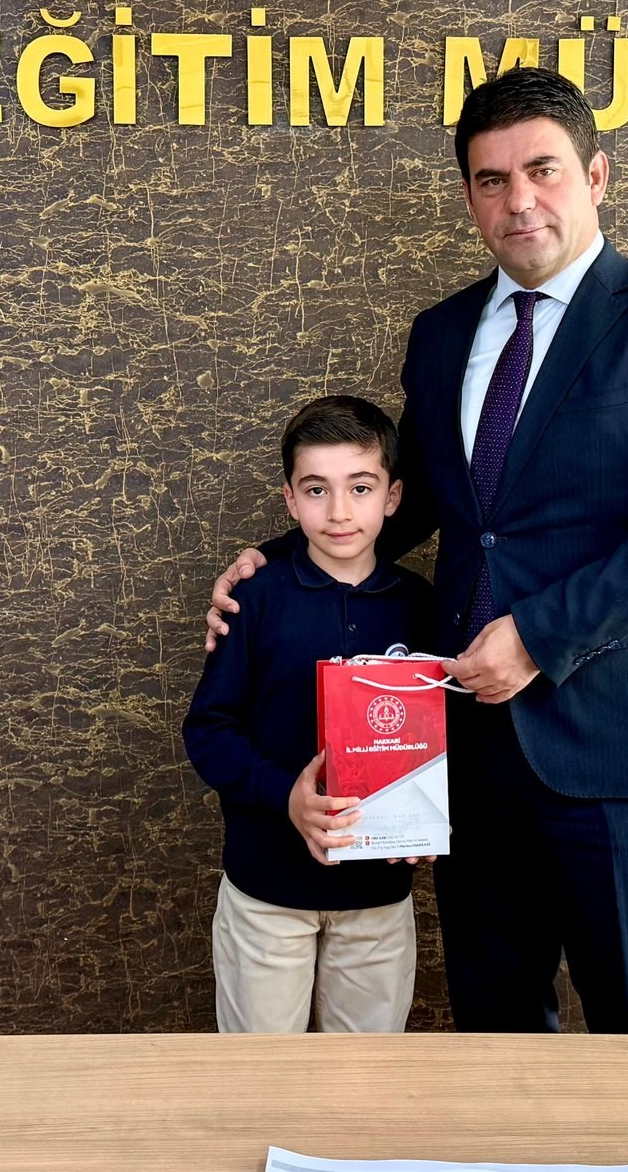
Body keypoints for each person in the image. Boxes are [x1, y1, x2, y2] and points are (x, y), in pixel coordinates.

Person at [204, 67, 628, 1033]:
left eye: (543, 170)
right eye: (493, 180)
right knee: (494, 1031)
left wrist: (535, 637)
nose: (519, 199)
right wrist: (273, 558)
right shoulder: (443, 332)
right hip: (462, 741)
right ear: (469, 197)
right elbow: (413, 497)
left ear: (596, 175)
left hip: (616, 740)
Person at [182, 394, 438, 1033]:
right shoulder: (254, 601)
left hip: (378, 898)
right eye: (317, 489)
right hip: (267, 892)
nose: (340, 511)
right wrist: (285, 797)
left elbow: (445, 740)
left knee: (365, 1079)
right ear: (291, 501)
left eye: (361, 487)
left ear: (393, 497)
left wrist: (428, 820)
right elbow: (209, 730)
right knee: (263, 1076)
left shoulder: (422, 607)